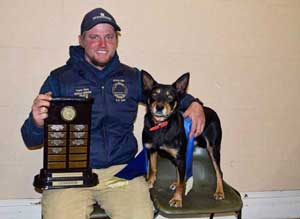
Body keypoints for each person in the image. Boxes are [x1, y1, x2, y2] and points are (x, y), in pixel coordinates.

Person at [21, 7, 205, 219]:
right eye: (94, 37)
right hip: (71, 174)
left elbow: (166, 95)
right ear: (81, 40)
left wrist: (195, 104)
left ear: (116, 40)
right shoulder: (59, 79)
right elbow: (30, 139)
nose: (102, 44)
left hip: (122, 172)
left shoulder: (132, 77)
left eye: (109, 36)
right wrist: (36, 123)